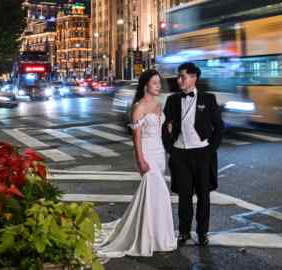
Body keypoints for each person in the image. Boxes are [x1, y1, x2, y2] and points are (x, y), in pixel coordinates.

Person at [96, 69, 177, 258]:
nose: (158, 86)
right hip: (147, 153)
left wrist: (169, 128)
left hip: (159, 153)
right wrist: (140, 160)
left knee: (155, 196)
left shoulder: (158, 105)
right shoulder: (139, 107)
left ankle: (157, 236)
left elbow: (161, 129)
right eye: (155, 83)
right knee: (160, 194)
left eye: (159, 83)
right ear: (146, 85)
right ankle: (148, 237)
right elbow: (137, 137)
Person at [162, 62, 224, 246]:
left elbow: (219, 127)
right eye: (179, 76)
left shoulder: (208, 99)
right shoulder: (172, 100)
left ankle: (203, 232)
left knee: (204, 196)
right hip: (180, 153)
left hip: (202, 153)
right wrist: (171, 149)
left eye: (183, 76)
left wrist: (210, 149)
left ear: (194, 78)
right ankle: (183, 232)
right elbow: (164, 127)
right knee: (184, 196)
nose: (179, 80)